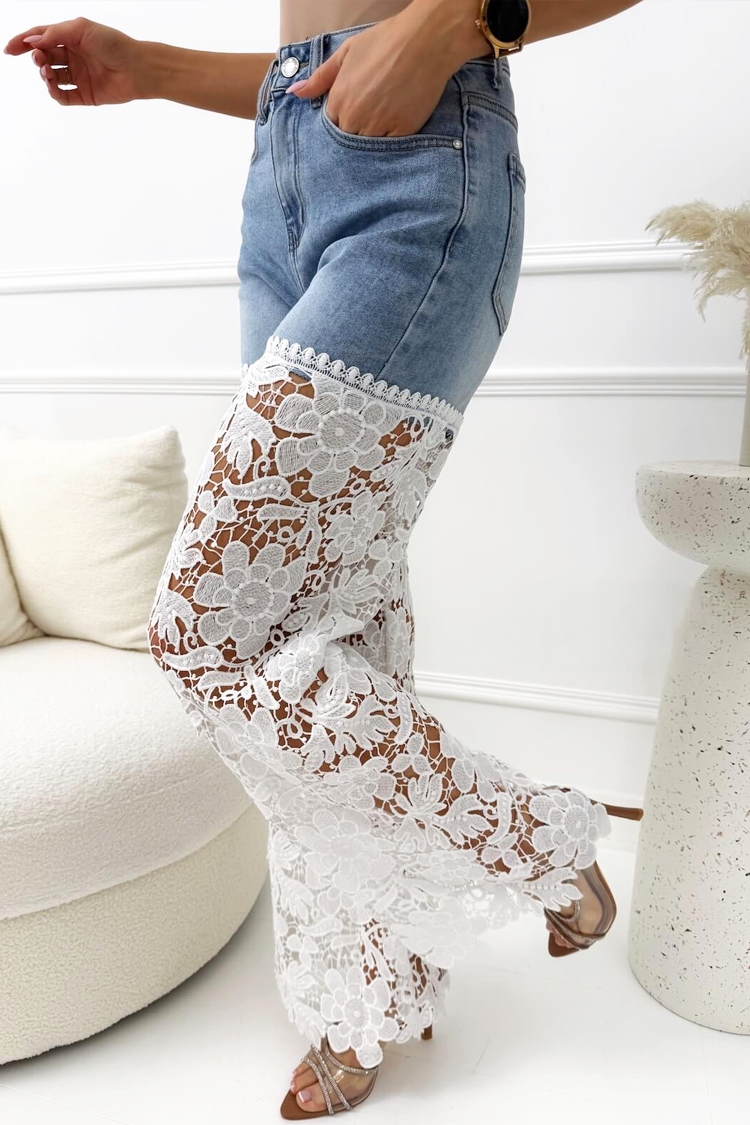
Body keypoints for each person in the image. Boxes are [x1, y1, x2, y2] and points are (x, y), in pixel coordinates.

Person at [5, 0, 645, 1117]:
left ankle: (535, 839)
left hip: (421, 169)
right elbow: (319, 53)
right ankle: (368, 998)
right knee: (330, 629)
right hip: (285, 177)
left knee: (205, 633)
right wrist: (149, 65)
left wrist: (453, 24)